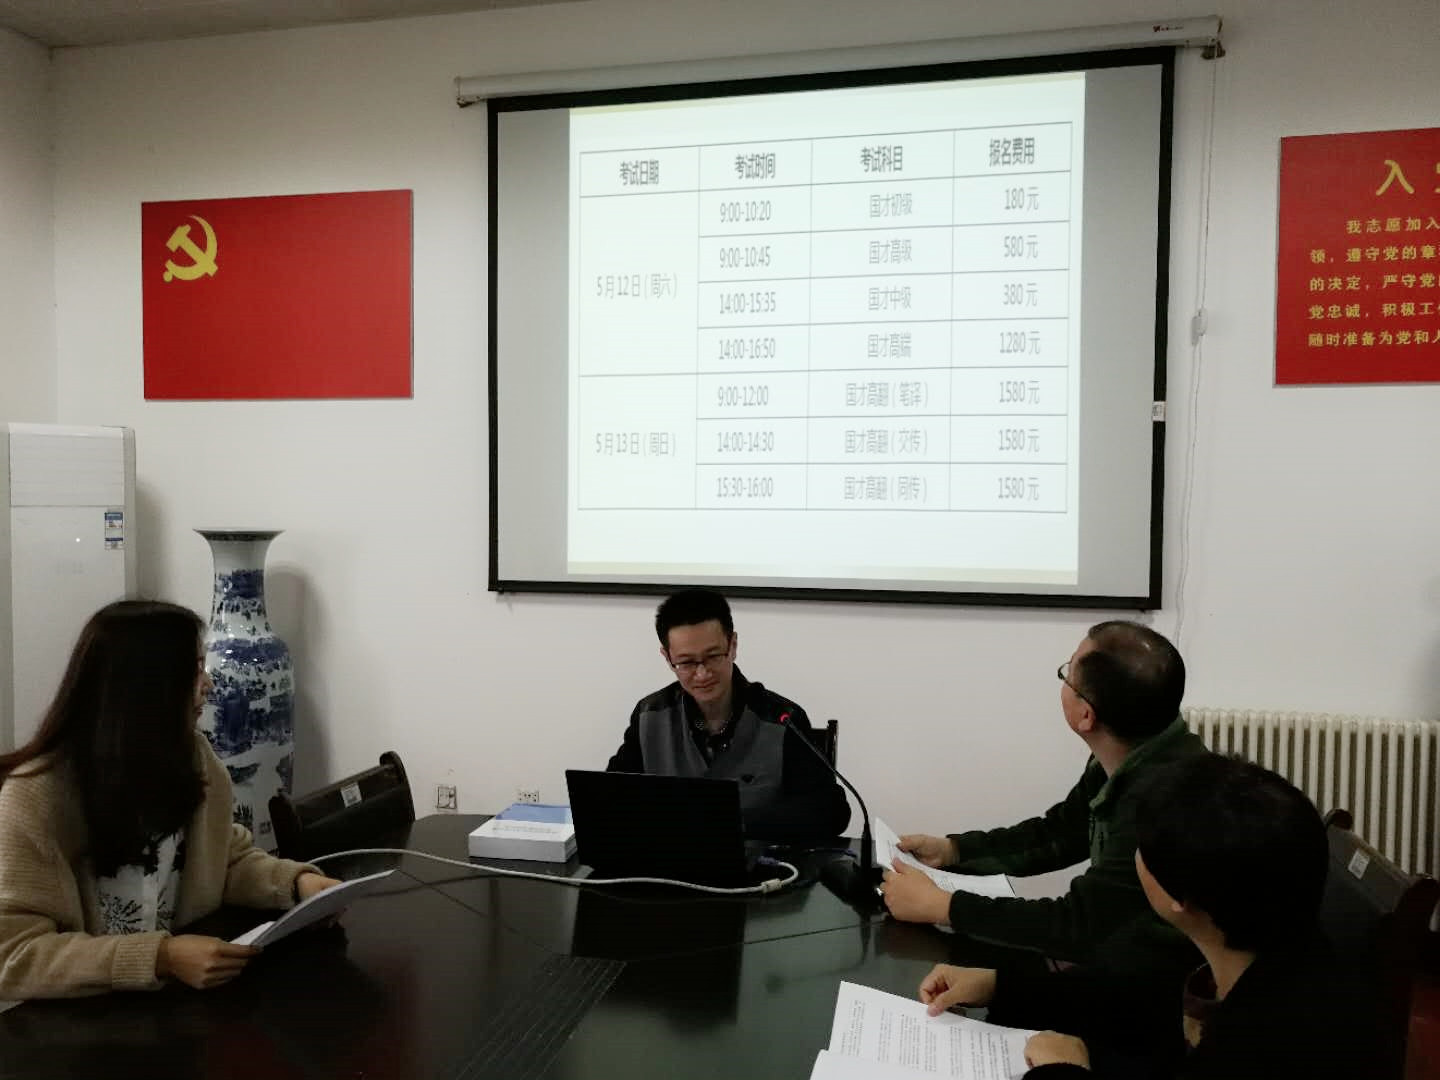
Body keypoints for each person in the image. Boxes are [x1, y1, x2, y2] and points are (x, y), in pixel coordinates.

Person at [915, 754, 1374, 1079]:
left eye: (1141, 848)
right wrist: (1001, 984)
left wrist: (1064, 1071)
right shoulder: (1256, 942)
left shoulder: (1271, 1043)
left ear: (1180, 899)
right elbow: (1134, 998)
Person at [0, 600, 342, 999]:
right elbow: (13, 955)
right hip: (75, 1022)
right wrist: (161, 957)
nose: (208, 684)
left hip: (173, 1004)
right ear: (147, 687)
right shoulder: (34, 797)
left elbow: (224, 859)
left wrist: (297, 884)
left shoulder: (195, 758)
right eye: (195, 670)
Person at [883, 621, 1208, 966]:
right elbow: (1058, 834)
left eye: (1068, 674)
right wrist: (953, 851)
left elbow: (1079, 926)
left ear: (1086, 715)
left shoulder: (1162, 801)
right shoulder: (1131, 753)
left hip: (1170, 982)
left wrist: (942, 906)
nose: (1063, 681)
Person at [607, 588, 849, 844]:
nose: (702, 674)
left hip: (758, 862)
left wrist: (733, 822)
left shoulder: (781, 719)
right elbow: (609, 798)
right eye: (687, 662)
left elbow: (830, 812)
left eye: (713, 657)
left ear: (733, 646)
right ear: (667, 658)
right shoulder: (650, 715)